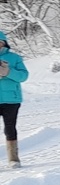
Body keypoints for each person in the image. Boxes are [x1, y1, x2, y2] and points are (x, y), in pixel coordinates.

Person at [0, 31, 29, 168]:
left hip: (11, 99)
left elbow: (23, 76)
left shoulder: (14, 57)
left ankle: (13, 158)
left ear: (4, 43)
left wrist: (8, 72)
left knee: (10, 128)